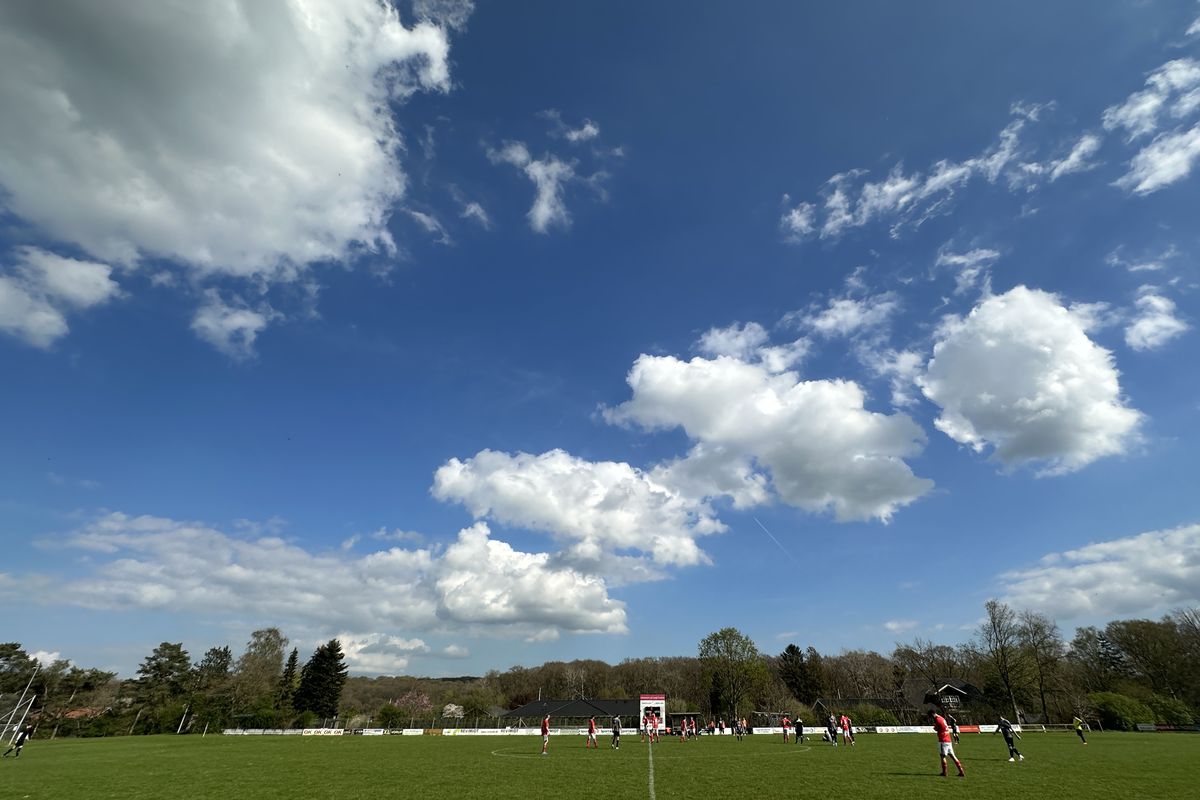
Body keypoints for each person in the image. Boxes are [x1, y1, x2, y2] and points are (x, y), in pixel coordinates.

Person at [929, 709, 965, 778]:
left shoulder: (937, 720)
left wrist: (935, 728)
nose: (931, 718)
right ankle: (961, 771)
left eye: (930, 716)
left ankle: (944, 772)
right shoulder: (941, 718)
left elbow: (936, 728)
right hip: (948, 739)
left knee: (942, 756)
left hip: (943, 740)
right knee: (953, 756)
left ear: (932, 714)